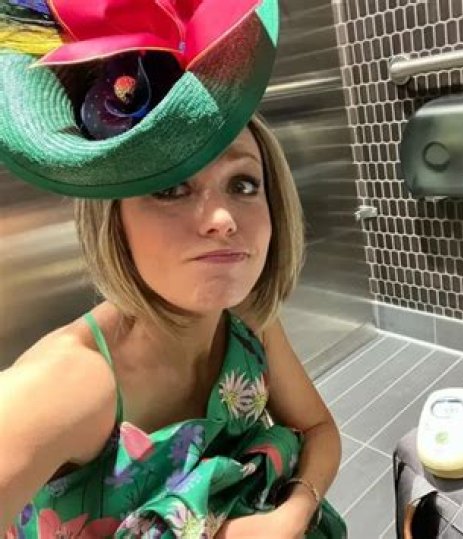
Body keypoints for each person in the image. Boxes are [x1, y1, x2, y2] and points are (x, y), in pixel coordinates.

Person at [0, 0, 346, 537]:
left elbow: (319, 427)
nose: (223, 219)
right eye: (170, 189)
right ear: (114, 223)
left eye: (243, 184)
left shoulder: (249, 323)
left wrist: (294, 512)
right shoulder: (63, 386)